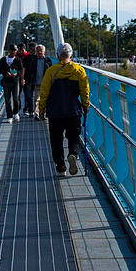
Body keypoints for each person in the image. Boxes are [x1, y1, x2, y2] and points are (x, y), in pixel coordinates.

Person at [36, 43, 89, 175]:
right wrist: (85, 106)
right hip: (73, 110)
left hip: (55, 112)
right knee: (74, 135)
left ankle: (60, 167)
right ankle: (73, 154)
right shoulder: (79, 70)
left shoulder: (51, 71)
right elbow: (85, 90)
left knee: (56, 139)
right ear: (71, 55)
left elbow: (44, 92)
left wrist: (41, 109)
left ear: (57, 55)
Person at [0, 43, 24, 122]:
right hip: (6, 81)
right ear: (8, 50)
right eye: (12, 50)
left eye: (15, 50)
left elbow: (20, 70)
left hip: (15, 81)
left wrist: (16, 74)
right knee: (7, 99)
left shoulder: (18, 60)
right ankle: (9, 116)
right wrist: (6, 73)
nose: (13, 52)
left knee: (16, 98)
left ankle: (16, 113)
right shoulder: (3, 60)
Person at [26, 44, 53, 119]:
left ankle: (43, 114)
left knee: (45, 99)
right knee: (37, 99)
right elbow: (30, 72)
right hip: (36, 83)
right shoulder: (34, 61)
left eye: (41, 50)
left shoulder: (48, 60)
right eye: (38, 51)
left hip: (46, 83)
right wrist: (28, 82)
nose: (39, 52)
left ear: (44, 51)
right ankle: (37, 114)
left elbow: (52, 72)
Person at [20, 42, 38, 115]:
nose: (35, 52)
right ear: (29, 50)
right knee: (28, 96)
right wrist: (22, 79)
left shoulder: (38, 57)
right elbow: (23, 69)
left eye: (36, 50)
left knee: (37, 96)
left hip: (37, 79)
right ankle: (29, 110)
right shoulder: (26, 58)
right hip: (28, 79)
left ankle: (37, 111)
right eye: (33, 50)